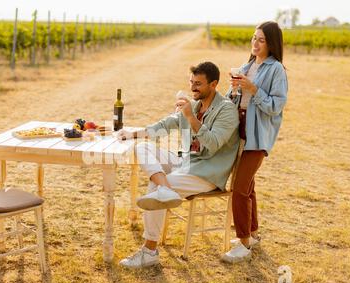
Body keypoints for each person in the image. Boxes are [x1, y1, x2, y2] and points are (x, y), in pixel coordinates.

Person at [116, 61, 240, 268]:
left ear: (214, 84)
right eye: (191, 82)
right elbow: (165, 125)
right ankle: (165, 188)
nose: (193, 88)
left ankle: (149, 251)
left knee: (154, 188)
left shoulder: (226, 110)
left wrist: (190, 117)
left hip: (207, 172)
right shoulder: (196, 104)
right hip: (186, 162)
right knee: (141, 148)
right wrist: (133, 134)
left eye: (198, 83)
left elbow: (213, 144)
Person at [222, 21, 288, 263]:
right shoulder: (245, 66)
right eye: (254, 38)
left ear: (271, 44)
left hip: (257, 137)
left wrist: (253, 89)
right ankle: (253, 234)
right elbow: (235, 100)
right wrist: (234, 90)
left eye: (261, 40)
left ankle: (244, 243)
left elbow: (276, 106)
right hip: (239, 133)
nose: (256, 43)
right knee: (248, 187)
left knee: (238, 189)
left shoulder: (276, 70)